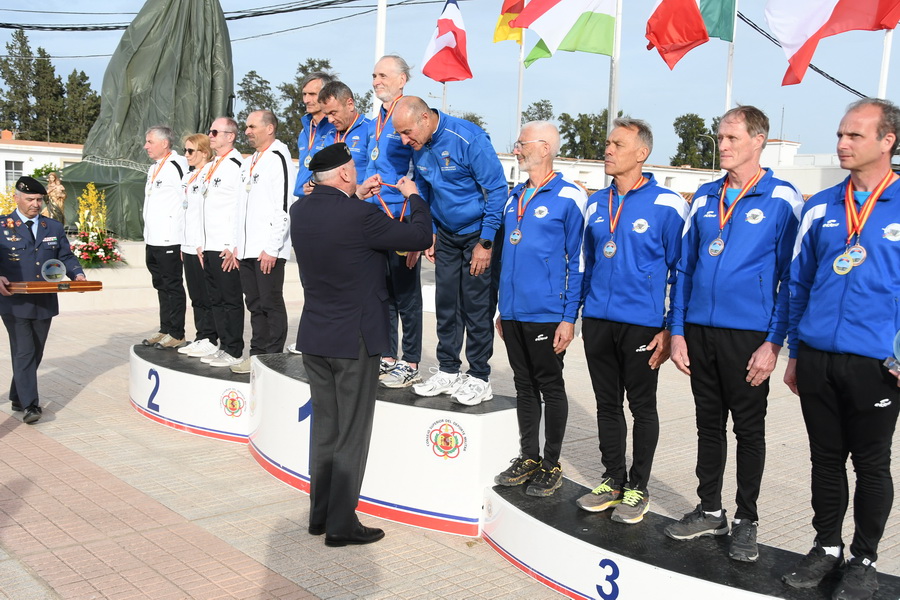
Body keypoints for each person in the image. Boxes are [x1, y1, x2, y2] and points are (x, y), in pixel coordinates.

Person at [664, 106, 803, 563]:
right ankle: (710, 509)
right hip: (699, 331)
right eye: (719, 137)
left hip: (749, 336)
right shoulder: (705, 196)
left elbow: (791, 277)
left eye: (731, 138)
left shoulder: (782, 198)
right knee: (708, 425)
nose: (721, 145)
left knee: (748, 429)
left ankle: (747, 519)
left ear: (758, 140)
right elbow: (685, 268)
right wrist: (678, 331)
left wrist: (774, 342)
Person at [781, 98, 900, 600]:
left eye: (854, 135)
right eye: (840, 134)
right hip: (818, 357)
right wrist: (794, 351)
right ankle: (826, 546)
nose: (842, 143)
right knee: (825, 460)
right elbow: (798, 284)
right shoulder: (822, 206)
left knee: (871, 464)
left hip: (879, 363)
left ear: (887, 141)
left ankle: (864, 559)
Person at [291, 143, 432, 546]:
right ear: (345, 174)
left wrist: (356, 197)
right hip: (353, 340)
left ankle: (320, 516)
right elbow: (419, 235)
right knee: (352, 434)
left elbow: (339, 224)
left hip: (316, 336)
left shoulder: (299, 211)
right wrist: (414, 197)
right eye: (353, 168)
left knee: (326, 431)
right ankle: (341, 525)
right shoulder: (361, 216)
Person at [576, 118, 689, 524]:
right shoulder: (595, 203)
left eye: (618, 144)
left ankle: (638, 487)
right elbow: (586, 265)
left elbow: (681, 271)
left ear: (642, 153)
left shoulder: (668, 204)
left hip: (643, 324)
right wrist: (575, 314)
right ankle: (612, 479)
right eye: (607, 143)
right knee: (607, 404)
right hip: (598, 321)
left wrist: (671, 328)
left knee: (641, 406)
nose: (607, 150)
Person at [392, 96, 507, 405]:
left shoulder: (468, 138)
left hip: (478, 234)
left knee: (476, 307)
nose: (404, 141)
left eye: (406, 132)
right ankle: (448, 370)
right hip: (445, 233)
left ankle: (479, 377)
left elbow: (498, 190)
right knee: (446, 305)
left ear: (424, 119)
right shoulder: (419, 144)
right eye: (400, 134)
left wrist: (486, 242)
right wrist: (429, 231)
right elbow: (425, 187)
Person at [493, 122, 586, 497]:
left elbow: (578, 261)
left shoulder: (570, 196)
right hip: (513, 312)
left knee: (550, 385)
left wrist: (569, 317)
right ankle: (528, 457)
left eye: (521, 144)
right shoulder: (514, 196)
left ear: (545, 148)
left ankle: (552, 463)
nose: (516, 150)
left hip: (547, 312)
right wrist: (502, 307)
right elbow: (507, 255)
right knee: (523, 385)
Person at [0, 176, 86, 424]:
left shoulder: (53, 227)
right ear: (16, 198)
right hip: (14, 300)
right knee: (24, 351)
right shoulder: (2, 225)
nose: (36, 204)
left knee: (35, 351)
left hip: (45, 299)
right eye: (30, 199)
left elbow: (66, 256)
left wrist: (78, 275)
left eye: (39, 200)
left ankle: (18, 396)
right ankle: (30, 405)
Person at [366, 55, 422, 388]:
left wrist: (420, 229)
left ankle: (411, 361)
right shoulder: (377, 119)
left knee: (406, 294)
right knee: (382, 292)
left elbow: (422, 174)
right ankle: (387, 356)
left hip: (401, 217)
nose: (377, 81)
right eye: (374, 76)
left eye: (383, 76)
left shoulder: (409, 116)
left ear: (402, 80)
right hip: (376, 215)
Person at [227, 110, 296, 374]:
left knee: (270, 303)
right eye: (246, 127)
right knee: (254, 304)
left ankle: (273, 357)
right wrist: (236, 243)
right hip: (246, 248)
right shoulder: (249, 162)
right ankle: (257, 355)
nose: (247, 131)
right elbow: (239, 207)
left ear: (269, 128)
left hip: (267, 248)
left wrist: (272, 247)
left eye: (252, 126)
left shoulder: (278, 158)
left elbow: (284, 206)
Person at [192, 117, 245, 367]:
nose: (210, 136)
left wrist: (233, 244)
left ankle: (234, 349)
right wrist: (200, 243)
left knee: (230, 299)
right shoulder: (213, 165)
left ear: (230, 136)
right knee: (216, 298)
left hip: (225, 246)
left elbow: (239, 207)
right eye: (210, 131)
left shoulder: (236, 165)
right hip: (209, 245)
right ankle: (223, 345)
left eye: (215, 132)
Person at [142, 125, 188, 349]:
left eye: (150, 142)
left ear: (165, 143)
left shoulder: (178, 165)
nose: (146, 146)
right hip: (153, 239)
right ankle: (165, 328)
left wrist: (184, 237)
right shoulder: (154, 168)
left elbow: (186, 200)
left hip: (170, 239)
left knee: (173, 285)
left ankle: (177, 333)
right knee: (160, 285)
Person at [176, 133, 217, 359]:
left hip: (202, 244)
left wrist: (202, 242)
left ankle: (210, 337)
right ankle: (202, 335)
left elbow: (205, 212)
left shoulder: (208, 174)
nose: (186, 155)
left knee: (206, 294)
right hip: (188, 243)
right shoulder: (189, 176)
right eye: (185, 150)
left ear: (204, 152)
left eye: (190, 151)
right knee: (196, 295)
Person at [293, 71, 336, 199]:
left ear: (327, 95)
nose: (306, 100)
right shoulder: (304, 131)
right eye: (304, 94)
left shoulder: (335, 128)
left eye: (312, 94)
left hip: (324, 199)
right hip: (302, 199)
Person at [318, 81, 371, 181]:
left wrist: (359, 189)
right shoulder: (330, 136)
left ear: (350, 104)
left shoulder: (370, 130)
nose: (330, 120)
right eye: (326, 115)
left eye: (333, 113)